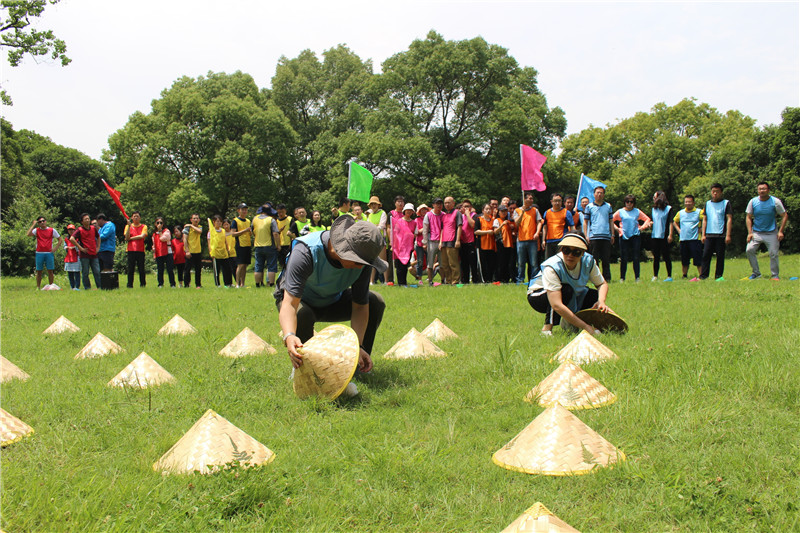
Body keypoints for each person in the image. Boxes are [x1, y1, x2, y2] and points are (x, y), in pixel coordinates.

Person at [275, 216, 387, 378]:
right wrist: (289, 335)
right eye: (358, 262)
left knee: (375, 301)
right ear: (345, 251)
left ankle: (359, 364)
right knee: (303, 314)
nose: (361, 267)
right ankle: (305, 368)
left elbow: (360, 305)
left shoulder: (363, 262)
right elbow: (290, 304)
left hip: (332, 299)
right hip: (301, 302)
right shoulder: (306, 251)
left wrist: (358, 346)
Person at [526, 233, 611, 336]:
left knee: (593, 295)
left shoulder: (589, 262)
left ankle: (571, 324)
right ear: (561, 250)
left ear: (583, 253)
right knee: (565, 290)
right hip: (538, 295)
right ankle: (546, 330)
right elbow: (556, 304)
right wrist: (586, 327)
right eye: (566, 250)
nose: (570, 255)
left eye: (576, 252)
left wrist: (601, 301)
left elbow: (602, 284)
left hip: (569, 291)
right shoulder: (552, 266)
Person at [746, 182, 789, 280]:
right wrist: (750, 233)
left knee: (773, 253)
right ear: (757, 190)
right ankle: (756, 273)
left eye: (764, 189)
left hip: (771, 232)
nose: (762, 191)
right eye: (760, 189)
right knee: (749, 250)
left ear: (768, 190)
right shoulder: (753, 202)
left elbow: (784, 215)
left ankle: (775, 275)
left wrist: (781, 231)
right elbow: (748, 217)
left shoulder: (775, 201)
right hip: (756, 232)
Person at [612, 195, 652, 282]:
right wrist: (617, 229)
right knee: (624, 257)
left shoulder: (637, 211)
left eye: (631, 202)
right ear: (625, 202)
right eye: (627, 202)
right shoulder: (620, 211)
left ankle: (637, 277)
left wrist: (642, 227)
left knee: (636, 257)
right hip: (624, 236)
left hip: (635, 235)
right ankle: (622, 278)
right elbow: (611, 219)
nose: (629, 204)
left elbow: (647, 219)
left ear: (634, 203)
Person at [699, 183, 732, 281]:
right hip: (709, 233)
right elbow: (704, 219)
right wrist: (703, 234)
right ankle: (703, 276)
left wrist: (728, 235)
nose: (715, 194)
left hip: (721, 234)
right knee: (705, 255)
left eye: (717, 192)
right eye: (713, 192)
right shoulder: (708, 203)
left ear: (721, 192)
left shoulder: (726, 203)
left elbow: (729, 219)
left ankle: (718, 276)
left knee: (720, 256)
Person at [583, 186, 615, 281]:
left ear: (604, 194)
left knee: (606, 259)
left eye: (601, 193)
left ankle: (607, 278)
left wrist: (612, 234)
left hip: (606, 236)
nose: (599, 194)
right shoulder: (589, 207)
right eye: (597, 192)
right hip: (594, 237)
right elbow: (585, 222)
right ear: (594, 194)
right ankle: (595, 278)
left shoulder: (608, 206)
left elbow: (611, 221)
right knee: (594, 260)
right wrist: (586, 235)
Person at [672, 195, 704, 280]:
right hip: (683, 239)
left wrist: (701, 229)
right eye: (686, 202)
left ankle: (701, 275)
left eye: (689, 202)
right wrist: (679, 231)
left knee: (698, 259)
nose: (687, 203)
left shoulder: (699, 212)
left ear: (693, 202)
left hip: (695, 239)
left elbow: (706, 219)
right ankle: (684, 275)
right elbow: (674, 221)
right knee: (684, 259)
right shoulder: (680, 213)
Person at [513, 192, 542, 283]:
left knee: (533, 263)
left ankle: (534, 280)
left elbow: (539, 222)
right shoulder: (517, 210)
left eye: (532, 198)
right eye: (529, 198)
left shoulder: (535, 210)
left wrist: (537, 232)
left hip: (532, 240)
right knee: (521, 263)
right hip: (521, 240)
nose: (531, 200)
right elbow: (516, 223)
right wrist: (522, 212)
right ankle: (520, 280)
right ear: (524, 199)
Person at [27, 215, 63, 289]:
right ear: (38, 223)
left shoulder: (52, 230)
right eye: (40, 222)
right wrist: (33, 224)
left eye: (43, 221)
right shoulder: (36, 230)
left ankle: (51, 286)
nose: (42, 222)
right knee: (39, 271)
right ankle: (38, 287)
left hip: (49, 253)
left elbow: (60, 239)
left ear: (46, 221)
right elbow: (28, 234)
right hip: (39, 252)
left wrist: (55, 248)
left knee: (50, 270)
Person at [252, 204, 280, 287]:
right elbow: (275, 233)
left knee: (258, 265)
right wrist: (278, 245)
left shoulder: (255, 219)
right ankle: (271, 284)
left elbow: (252, 231)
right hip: (269, 245)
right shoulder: (271, 220)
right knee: (271, 266)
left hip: (258, 245)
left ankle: (257, 284)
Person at [71, 213, 101, 290]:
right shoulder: (79, 230)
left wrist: (98, 247)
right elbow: (72, 239)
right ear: (82, 222)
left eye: (88, 218)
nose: (88, 220)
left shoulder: (93, 228)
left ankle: (100, 286)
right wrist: (80, 248)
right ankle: (87, 287)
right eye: (85, 219)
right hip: (85, 254)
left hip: (93, 253)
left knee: (97, 271)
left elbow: (98, 237)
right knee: (85, 272)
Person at [541, 193, 575, 258]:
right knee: (549, 261)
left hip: (561, 240)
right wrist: (543, 240)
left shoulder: (566, 212)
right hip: (549, 241)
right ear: (551, 202)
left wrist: (572, 238)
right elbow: (545, 227)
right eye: (555, 201)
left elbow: (572, 227)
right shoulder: (547, 213)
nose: (557, 203)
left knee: (560, 260)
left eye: (559, 201)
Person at [392, 203, 418, 286]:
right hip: (400, 247)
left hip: (409, 247)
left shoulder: (414, 223)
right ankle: (400, 282)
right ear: (404, 211)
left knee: (405, 265)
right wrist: (393, 246)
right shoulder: (399, 221)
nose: (409, 212)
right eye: (407, 210)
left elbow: (415, 233)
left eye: (411, 211)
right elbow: (395, 233)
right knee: (399, 265)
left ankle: (404, 282)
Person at [650, 191, 674, 281]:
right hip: (655, 236)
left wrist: (670, 235)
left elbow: (671, 222)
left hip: (664, 236)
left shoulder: (668, 209)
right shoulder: (653, 209)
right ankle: (655, 275)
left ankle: (669, 276)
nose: (653, 199)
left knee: (666, 256)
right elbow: (653, 220)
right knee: (656, 257)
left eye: (654, 197)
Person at [439, 196, 462, 285]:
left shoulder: (457, 213)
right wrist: (440, 242)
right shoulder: (443, 215)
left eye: (449, 202)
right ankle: (448, 280)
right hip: (444, 242)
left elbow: (459, 226)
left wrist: (458, 240)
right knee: (445, 264)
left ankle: (455, 281)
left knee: (453, 263)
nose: (447, 204)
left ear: (453, 203)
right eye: (445, 203)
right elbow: (442, 229)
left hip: (452, 241)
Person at [366, 196, 388, 284]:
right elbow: (368, 227)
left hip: (380, 238)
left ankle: (386, 281)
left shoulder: (382, 213)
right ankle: (371, 281)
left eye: (375, 204)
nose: (373, 206)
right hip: (371, 239)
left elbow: (381, 226)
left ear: (378, 205)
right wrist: (375, 226)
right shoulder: (370, 215)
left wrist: (373, 227)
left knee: (383, 260)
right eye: (372, 204)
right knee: (372, 261)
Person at [230, 203, 252, 288]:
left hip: (247, 244)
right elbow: (233, 233)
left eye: (246, 209)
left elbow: (249, 233)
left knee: (245, 265)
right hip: (240, 244)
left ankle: (243, 283)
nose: (244, 211)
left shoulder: (248, 221)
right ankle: (237, 283)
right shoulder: (235, 221)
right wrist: (244, 231)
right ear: (238, 210)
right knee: (240, 265)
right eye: (242, 209)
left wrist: (249, 232)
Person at [423, 198, 444, 285]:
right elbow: (425, 229)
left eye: (440, 204)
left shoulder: (444, 215)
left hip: (442, 241)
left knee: (442, 263)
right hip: (431, 241)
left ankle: (443, 280)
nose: (439, 205)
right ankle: (430, 280)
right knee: (430, 263)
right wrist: (425, 242)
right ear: (433, 205)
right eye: (437, 204)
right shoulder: (428, 215)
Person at [124, 211, 148, 288]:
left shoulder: (144, 226)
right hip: (130, 250)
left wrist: (131, 238)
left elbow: (142, 236)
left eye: (137, 216)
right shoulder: (128, 227)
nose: (136, 218)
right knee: (130, 269)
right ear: (132, 218)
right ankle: (129, 285)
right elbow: (126, 238)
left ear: (140, 218)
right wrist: (129, 227)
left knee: (141, 269)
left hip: (140, 250)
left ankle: (143, 284)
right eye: (134, 216)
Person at [208, 215, 233, 287]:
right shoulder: (211, 232)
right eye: (217, 221)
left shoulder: (223, 230)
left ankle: (228, 283)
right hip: (216, 253)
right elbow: (209, 243)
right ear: (214, 222)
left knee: (227, 269)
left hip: (223, 252)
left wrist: (228, 249)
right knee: (217, 270)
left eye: (220, 221)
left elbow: (225, 241)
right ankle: (217, 284)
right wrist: (211, 252)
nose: (219, 223)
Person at [475, 203, 497, 283]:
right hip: (482, 245)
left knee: (491, 263)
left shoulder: (493, 220)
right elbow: (476, 231)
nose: (488, 210)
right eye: (486, 209)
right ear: (483, 210)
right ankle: (484, 280)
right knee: (483, 264)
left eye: (489, 209)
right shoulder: (479, 219)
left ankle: (490, 279)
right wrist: (487, 232)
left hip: (491, 245)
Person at [459, 199, 480, 284]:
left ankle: (475, 280)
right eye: (464, 206)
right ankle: (465, 281)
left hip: (472, 243)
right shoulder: (460, 216)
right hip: (463, 242)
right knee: (464, 263)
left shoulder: (474, 215)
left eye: (468, 206)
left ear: (471, 207)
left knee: (473, 263)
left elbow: (473, 225)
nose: (466, 208)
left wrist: (468, 215)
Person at [493, 205, 515, 283]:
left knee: (508, 262)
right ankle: (499, 278)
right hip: (500, 243)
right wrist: (502, 225)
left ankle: (506, 279)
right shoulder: (497, 220)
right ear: (499, 212)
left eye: (505, 211)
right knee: (500, 262)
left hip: (509, 243)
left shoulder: (508, 221)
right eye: (502, 211)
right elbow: (495, 232)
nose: (504, 212)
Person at [152, 217, 176, 288]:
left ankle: (172, 284)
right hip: (159, 252)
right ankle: (160, 283)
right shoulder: (154, 234)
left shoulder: (167, 231)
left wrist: (160, 231)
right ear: (155, 224)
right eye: (158, 223)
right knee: (160, 269)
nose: (159, 224)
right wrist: (154, 252)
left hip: (168, 252)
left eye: (161, 223)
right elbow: (154, 244)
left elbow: (163, 239)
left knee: (170, 269)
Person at [183, 214, 204, 288]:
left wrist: (191, 226)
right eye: (194, 218)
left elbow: (199, 231)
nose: (195, 220)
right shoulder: (187, 229)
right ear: (191, 220)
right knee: (187, 269)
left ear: (199, 220)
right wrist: (187, 251)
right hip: (190, 251)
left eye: (197, 218)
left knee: (198, 269)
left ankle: (198, 284)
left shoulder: (199, 227)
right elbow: (184, 239)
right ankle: (186, 284)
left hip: (198, 251)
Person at [275, 204, 293, 269]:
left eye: (282, 212)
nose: (280, 214)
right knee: (282, 264)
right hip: (279, 245)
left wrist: (292, 242)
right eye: (279, 212)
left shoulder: (290, 219)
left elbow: (293, 232)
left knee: (289, 263)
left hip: (288, 245)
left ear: (285, 211)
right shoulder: (275, 221)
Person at [413, 204, 429, 280]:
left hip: (429, 242)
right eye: (422, 210)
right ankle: (419, 278)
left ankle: (430, 278)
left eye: (425, 209)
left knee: (430, 261)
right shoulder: (417, 220)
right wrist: (425, 228)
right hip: (419, 243)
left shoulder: (430, 218)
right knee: (420, 261)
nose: (424, 211)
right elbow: (416, 232)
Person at [63, 224, 80, 290]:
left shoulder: (77, 238)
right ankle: (72, 286)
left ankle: (77, 286)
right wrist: (67, 247)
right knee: (70, 273)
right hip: (69, 257)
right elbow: (65, 246)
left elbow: (79, 246)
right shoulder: (66, 239)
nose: (71, 231)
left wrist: (74, 247)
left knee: (76, 273)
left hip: (76, 256)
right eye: (69, 230)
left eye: (72, 230)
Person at [224, 219, 238, 284]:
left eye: (227, 224)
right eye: (224, 225)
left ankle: (238, 281)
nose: (226, 226)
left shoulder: (233, 233)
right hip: (226, 254)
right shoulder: (222, 234)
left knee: (235, 268)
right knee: (227, 269)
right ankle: (229, 283)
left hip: (233, 253)